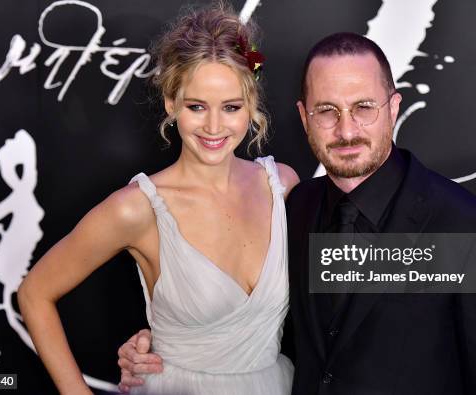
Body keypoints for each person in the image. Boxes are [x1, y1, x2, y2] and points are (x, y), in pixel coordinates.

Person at [118, 32, 476, 394]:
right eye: (327, 111)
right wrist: (169, 348)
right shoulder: (293, 206)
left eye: (364, 107)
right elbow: (271, 333)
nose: (346, 130)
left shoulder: (468, 230)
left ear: (393, 108)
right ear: (304, 117)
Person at [17, 2, 299, 394]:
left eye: (231, 107)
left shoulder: (282, 185)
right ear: (171, 102)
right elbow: (34, 293)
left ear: (250, 106)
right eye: (196, 106)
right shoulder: (137, 208)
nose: (214, 126)